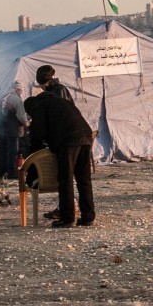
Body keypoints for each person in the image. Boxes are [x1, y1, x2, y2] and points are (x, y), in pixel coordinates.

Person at [24, 67, 95, 228]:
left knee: (66, 179)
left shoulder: (40, 104)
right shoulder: (57, 98)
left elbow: (37, 135)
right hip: (86, 135)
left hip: (69, 140)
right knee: (84, 179)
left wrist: (32, 158)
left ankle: (67, 217)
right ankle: (88, 216)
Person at [0, 81, 29, 180]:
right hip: (12, 130)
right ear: (18, 90)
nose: (22, 92)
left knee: (3, 152)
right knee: (12, 153)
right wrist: (27, 124)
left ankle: (2, 173)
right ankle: (11, 174)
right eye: (21, 90)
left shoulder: (3, 97)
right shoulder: (16, 100)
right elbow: (22, 116)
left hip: (2, 129)